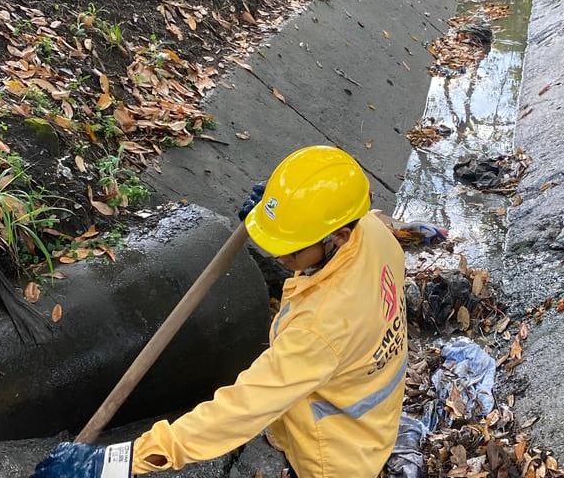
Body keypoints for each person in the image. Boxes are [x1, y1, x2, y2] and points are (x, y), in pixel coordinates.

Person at [31, 145, 409, 478]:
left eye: (291, 248)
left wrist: (112, 463)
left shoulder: (321, 329)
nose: (279, 255)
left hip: (332, 458)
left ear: (337, 238)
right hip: (370, 416)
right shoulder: (374, 233)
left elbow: (239, 412)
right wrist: (275, 217)